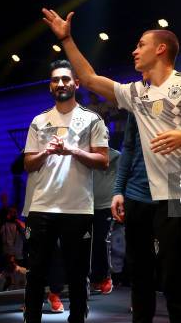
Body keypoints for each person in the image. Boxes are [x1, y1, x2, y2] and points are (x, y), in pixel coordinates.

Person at [42, 9, 181, 322]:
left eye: (141, 45)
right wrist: (67, 39)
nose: (134, 50)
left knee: (176, 278)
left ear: (161, 49)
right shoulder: (136, 93)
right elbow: (90, 79)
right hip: (142, 197)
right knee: (140, 276)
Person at [23, 59, 109, 323]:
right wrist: (46, 151)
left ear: (76, 83)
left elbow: (103, 161)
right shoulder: (39, 121)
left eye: (65, 79)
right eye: (55, 80)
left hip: (78, 208)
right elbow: (28, 163)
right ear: (50, 86)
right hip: (41, 207)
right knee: (36, 273)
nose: (60, 83)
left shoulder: (92, 119)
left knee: (77, 273)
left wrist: (71, 150)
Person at [111, 112, 157, 323]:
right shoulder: (136, 99)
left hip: (175, 192)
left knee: (176, 275)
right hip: (136, 193)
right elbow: (128, 147)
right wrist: (118, 189)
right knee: (139, 274)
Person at [91, 147, 120, 295]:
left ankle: (106, 278)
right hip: (85, 206)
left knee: (101, 241)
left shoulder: (116, 156)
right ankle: (94, 278)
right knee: (89, 244)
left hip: (106, 207)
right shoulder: (86, 155)